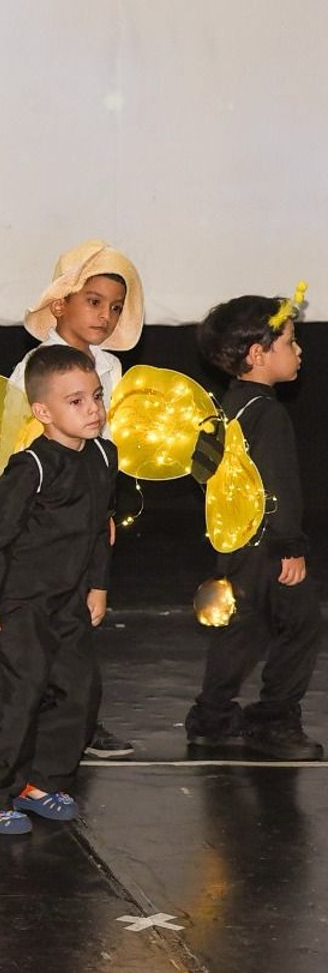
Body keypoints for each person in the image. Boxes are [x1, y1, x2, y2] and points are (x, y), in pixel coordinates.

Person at [0, 345, 116, 834]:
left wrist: (97, 585)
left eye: (96, 396)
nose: (92, 409)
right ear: (43, 412)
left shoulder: (104, 456)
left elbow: (99, 528)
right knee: (17, 697)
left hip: (68, 601)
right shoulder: (31, 468)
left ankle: (42, 781)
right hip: (18, 606)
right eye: (76, 401)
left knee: (78, 690)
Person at [8, 240, 144, 759]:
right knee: (39, 630)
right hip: (44, 522)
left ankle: (80, 720)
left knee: (80, 625)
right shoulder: (33, 371)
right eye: (93, 301)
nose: (105, 315)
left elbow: (114, 445)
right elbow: (17, 455)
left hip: (88, 516)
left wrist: (106, 509)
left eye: (114, 307)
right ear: (61, 303)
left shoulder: (111, 369)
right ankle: (37, 721)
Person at [183, 292, 322, 761]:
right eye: (290, 340)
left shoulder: (229, 407)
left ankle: (212, 717)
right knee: (300, 625)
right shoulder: (269, 414)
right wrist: (290, 547)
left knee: (241, 630)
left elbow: (203, 471)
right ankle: (274, 720)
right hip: (268, 546)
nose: (299, 350)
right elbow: (278, 487)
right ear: (258, 354)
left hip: (238, 542)